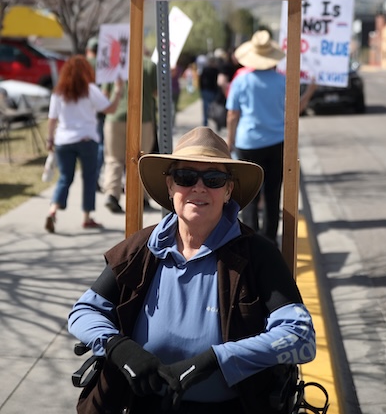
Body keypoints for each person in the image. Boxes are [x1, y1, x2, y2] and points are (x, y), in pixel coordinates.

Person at [68, 126, 316, 413]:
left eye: (213, 179)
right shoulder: (141, 248)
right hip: (143, 406)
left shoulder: (258, 254)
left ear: (228, 191)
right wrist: (117, 347)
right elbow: (83, 311)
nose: (199, 187)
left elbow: (301, 337)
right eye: (185, 177)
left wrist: (218, 359)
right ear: (170, 187)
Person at [225, 30, 316, 243]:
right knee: (273, 192)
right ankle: (269, 239)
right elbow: (295, 111)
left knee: (247, 194)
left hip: (247, 143)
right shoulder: (283, 81)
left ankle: (249, 239)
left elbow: (232, 115)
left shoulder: (241, 81)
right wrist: (310, 91)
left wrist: (229, 141)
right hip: (277, 143)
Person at [44, 55, 123, 233]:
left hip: (63, 140)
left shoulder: (58, 92)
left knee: (65, 178)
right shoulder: (90, 90)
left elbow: (52, 119)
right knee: (89, 178)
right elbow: (110, 109)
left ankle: (53, 210)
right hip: (87, 140)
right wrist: (118, 90)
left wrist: (50, 139)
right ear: (86, 71)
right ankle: (87, 217)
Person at [103, 55, 158, 214]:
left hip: (115, 118)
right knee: (140, 159)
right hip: (143, 117)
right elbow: (156, 92)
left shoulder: (114, 64)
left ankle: (112, 194)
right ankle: (139, 197)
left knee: (114, 159)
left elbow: (105, 94)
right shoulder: (149, 65)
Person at [85, 36, 105, 192]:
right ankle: (94, 179)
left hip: (84, 111)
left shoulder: (82, 65)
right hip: (100, 110)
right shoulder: (102, 65)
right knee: (100, 147)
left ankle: (89, 178)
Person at [199, 56, 219, 127]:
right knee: (213, 107)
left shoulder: (207, 69)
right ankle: (212, 122)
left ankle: (206, 122)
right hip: (210, 90)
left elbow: (200, 79)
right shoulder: (215, 70)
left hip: (207, 90)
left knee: (206, 107)